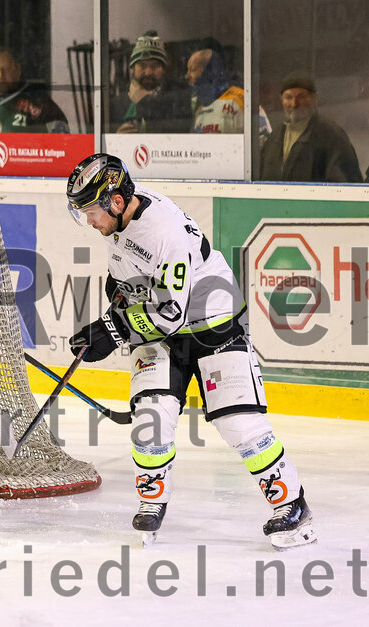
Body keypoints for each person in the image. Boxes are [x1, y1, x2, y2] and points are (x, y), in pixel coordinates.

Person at [64, 153, 316, 550]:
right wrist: (113, 314)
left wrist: (112, 332)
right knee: (151, 417)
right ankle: (152, 500)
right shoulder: (120, 218)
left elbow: (170, 314)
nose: (89, 221)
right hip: (165, 329)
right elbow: (128, 283)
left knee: (239, 423)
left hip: (214, 324)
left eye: (90, 212)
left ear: (115, 201)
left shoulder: (163, 231)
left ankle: (292, 506)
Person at [260, 70, 361, 183]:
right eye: (288, 97)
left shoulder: (332, 137)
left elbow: (346, 185)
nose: (294, 104)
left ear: (314, 99)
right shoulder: (274, 138)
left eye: (301, 97)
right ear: (281, 100)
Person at [0, 47, 69, 133]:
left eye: (6, 69)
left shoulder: (40, 103)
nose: (0, 75)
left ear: (18, 69)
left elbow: (62, 141)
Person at [109, 31, 191, 133]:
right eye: (142, 65)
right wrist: (118, 138)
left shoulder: (179, 98)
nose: (148, 72)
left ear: (163, 69)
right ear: (132, 69)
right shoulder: (118, 104)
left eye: (155, 66)